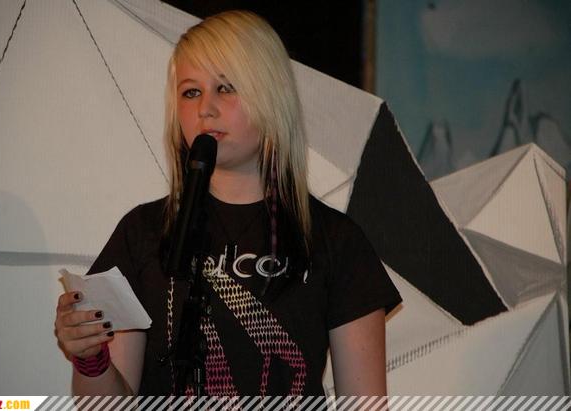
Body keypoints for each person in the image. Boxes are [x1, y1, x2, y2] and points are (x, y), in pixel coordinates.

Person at [54, 10, 401, 396]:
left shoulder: (335, 241)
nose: (205, 108)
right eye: (191, 92)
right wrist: (89, 356)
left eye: (226, 87)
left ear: (270, 97)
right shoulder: (143, 233)